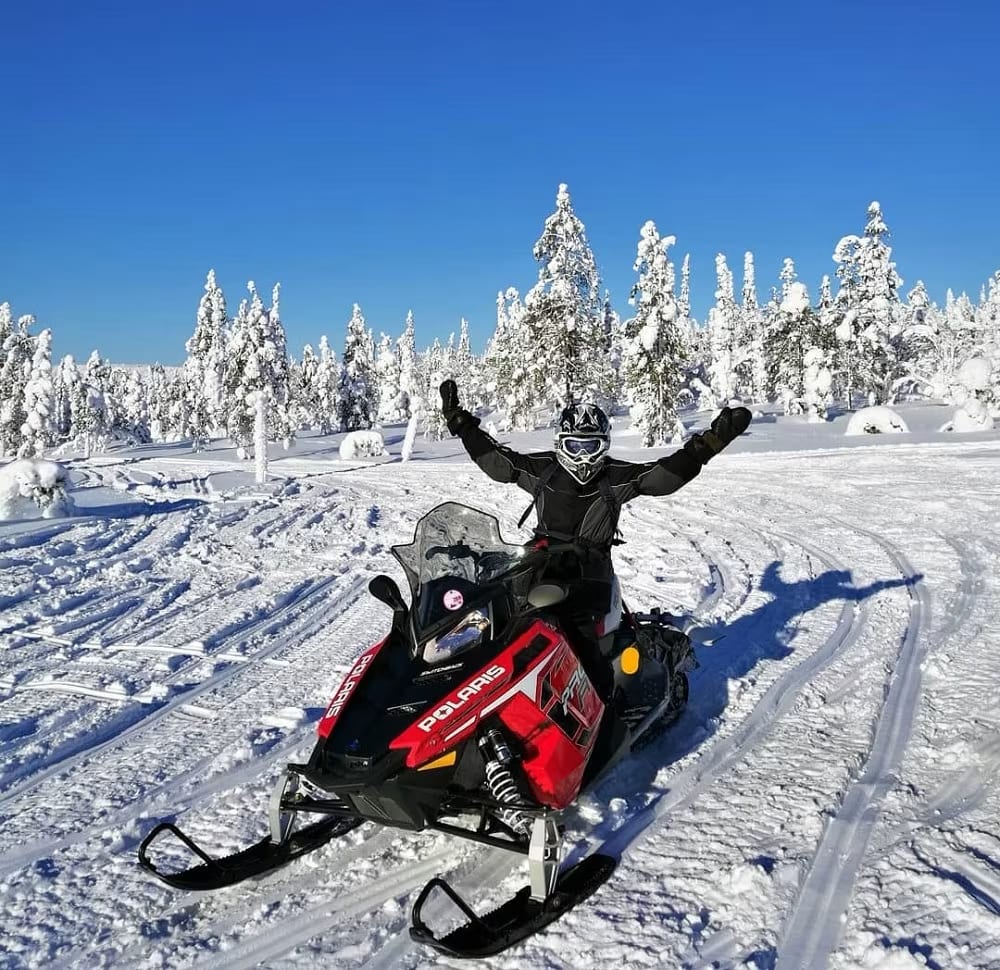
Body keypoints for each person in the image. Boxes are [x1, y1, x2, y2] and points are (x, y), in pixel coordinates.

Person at [439, 380, 751, 701]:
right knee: (496, 612)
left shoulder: (614, 477)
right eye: (576, 446)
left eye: (591, 447)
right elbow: (499, 463)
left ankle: (599, 704)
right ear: (562, 444)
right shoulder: (544, 470)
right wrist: (460, 422)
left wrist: (712, 441)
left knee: (579, 633)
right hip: (540, 557)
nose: (584, 456)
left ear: (604, 446)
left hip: (592, 567)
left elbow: (663, 476)